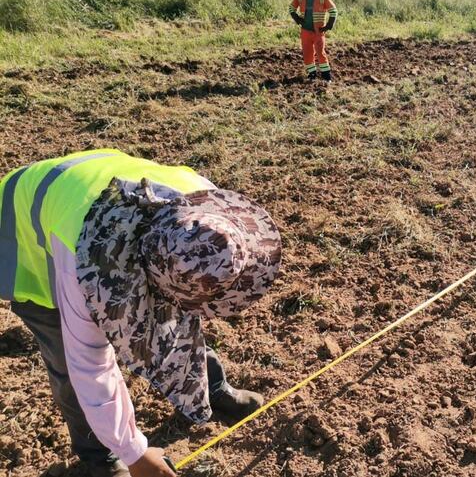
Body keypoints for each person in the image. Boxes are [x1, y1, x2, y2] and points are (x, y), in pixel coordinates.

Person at [0, 150, 282, 477]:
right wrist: (134, 453)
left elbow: (180, 304)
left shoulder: (204, 216)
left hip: (89, 180)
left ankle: (211, 388)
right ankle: (101, 458)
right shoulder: (85, 270)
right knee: (65, 355)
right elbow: (90, 367)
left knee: (175, 318)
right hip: (25, 219)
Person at [289, 0, 338, 81]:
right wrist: (297, 19)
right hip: (305, 31)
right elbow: (291, 8)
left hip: (318, 32)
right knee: (307, 53)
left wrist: (328, 25)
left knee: (320, 53)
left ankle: (326, 77)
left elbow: (333, 11)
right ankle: (312, 75)